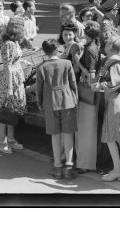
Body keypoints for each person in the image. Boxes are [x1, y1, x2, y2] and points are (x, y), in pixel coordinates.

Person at [36, 38, 79, 180]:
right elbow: (73, 83)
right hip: (67, 101)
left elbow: (40, 89)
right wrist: (75, 98)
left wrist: (40, 103)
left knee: (55, 136)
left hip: (50, 102)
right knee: (68, 134)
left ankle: (58, 166)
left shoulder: (41, 67)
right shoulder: (66, 63)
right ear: (57, 49)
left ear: (44, 51)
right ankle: (69, 166)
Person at [92, 36, 120, 183]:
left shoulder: (113, 60)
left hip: (115, 101)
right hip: (118, 100)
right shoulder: (116, 59)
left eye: (108, 42)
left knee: (110, 138)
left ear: (111, 46)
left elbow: (118, 81)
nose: (105, 43)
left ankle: (118, 170)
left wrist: (100, 86)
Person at [0, 16, 28, 153]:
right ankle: (2, 141)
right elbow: (7, 66)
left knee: (12, 110)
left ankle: (11, 139)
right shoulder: (9, 43)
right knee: (5, 109)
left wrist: (22, 65)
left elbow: (14, 61)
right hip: (9, 81)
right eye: (22, 27)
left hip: (15, 79)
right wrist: (10, 88)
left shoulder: (14, 42)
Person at [73, 21, 101, 173]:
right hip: (90, 92)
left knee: (85, 129)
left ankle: (84, 164)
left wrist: (78, 62)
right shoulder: (95, 46)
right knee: (87, 128)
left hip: (86, 90)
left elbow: (90, 75)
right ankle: (84, 162)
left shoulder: (90, 49)